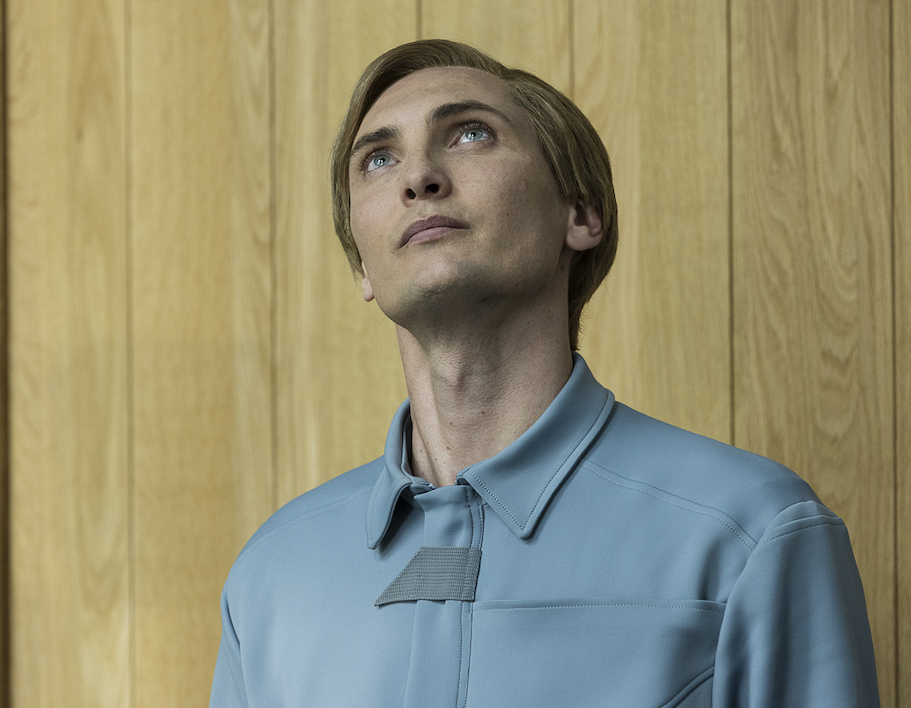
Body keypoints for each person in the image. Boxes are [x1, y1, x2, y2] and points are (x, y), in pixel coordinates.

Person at [209, 39, 880, 708]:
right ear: (361, 264)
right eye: (378, 159)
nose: (418, 178)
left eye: (470, 133)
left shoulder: (750, 535)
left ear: (580, 213)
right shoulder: (269, 578)